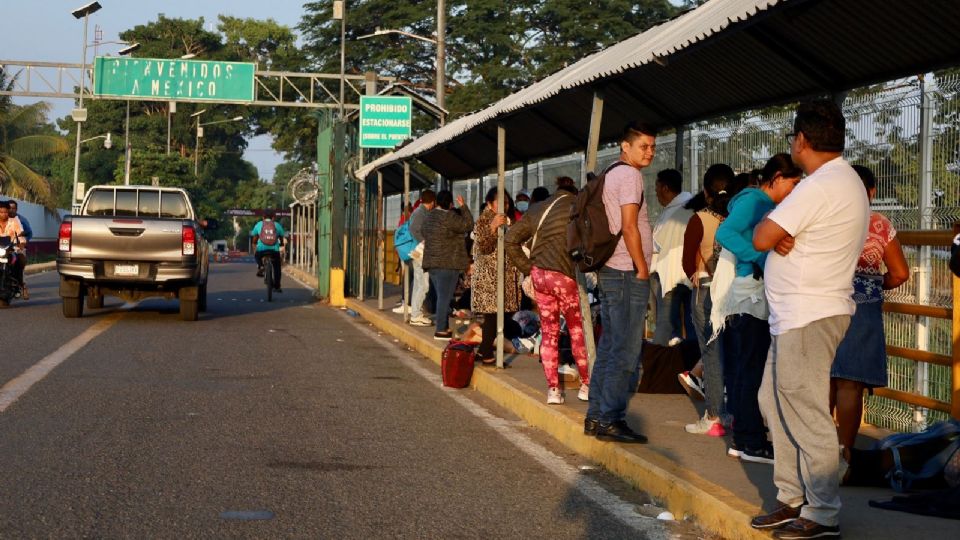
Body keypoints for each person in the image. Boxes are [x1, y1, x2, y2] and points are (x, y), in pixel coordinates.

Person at [751, 100, 869, 539]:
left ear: (801, 140)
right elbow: (774, 236)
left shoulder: (819, 185)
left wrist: (779, 232)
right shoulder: (841, 180)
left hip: (809, 313)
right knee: (774, 400)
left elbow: (764, 235)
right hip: (795, 316)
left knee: (805, 409)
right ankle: (791, 496)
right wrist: (783, 234)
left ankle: (822, 510)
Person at [714, 154, 802, 462]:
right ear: (777, 178)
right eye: (793, 183)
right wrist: (760, 255)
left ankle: (744, 437)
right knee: (750, 373)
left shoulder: (751, 200)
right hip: (750, 295)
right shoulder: (756, 201)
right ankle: (750, 440)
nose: (795, 190)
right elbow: (724, 233)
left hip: (744, 295)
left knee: (742, 371)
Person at [584, 121, 657, 444]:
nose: (650, 152)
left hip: (612, 270)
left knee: (611, 345)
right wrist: (642, 267)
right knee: (626, 349)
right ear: (625, 147)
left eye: (653, 147)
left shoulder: (611, 172)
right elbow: (630, 227)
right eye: (643, 146)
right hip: (627, 271)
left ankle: (596, 416)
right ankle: (611, 418)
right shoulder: (629, 176)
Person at [831, 165, 909, 464]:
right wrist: (874, 285)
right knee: (850, 383)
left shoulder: (826, 219)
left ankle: (816, 451)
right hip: (863, 304)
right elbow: (900, 273)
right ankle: (843, 455)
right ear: (872, 192)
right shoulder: (878, 224)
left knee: (825, 378)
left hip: (823, 298)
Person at [506, 177, 588, 403]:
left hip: (540, 276)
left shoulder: (539, 208)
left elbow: (510, 239)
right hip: (564, 276)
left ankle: (553, 390)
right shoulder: (578, 206)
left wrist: (528, 268)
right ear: (574, 191)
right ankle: (586, 385)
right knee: (576, 330)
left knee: (549, 333)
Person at [680, 164, 734, 437]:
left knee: (711, 355)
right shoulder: (738, 217)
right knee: (734, 354)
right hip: (738, 294)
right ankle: (734, 411)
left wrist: (698, 271)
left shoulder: (699, 219)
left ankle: (714, 415)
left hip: (706, 291)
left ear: (705, 191)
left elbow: (687, 262)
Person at [472, 187, 524, 363]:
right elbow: (483, 246)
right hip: (491, 277)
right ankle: (485, 352)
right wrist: (493, 228)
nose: (505, 206)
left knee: (496, 316)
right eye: (501, 203)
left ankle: (484, 351)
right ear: (489, 203)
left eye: (507, 202)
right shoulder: (484, 220)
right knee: (493, 315)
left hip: (503, 276)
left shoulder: (509, 220)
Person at [650, 168, 694, 346]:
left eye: (657, 187)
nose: (656, 192)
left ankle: (657, 367)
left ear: (665, 188)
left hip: (669, 276)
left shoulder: (671, 214)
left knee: (665, 324)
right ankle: (693, 368)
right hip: (691, 274)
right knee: (692, 324)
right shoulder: (692, 206)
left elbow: (656, 244)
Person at [422, 191, 473, 340]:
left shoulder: (429, 216)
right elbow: (468, 224)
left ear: (437, 202)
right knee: (445, 297)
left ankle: (443, 327)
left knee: (441, 296)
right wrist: (463, 206)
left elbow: (424, 231)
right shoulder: (449, 216)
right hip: (448, 263)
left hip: (432, 263)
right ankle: (440, 329)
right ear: (451, 204)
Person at [407, 190, 436, 326]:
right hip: (419, 252)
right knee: (423, 285)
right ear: (432, 202)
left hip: (416, 251)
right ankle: (416, 314)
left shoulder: (418, 211)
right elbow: (413, 228)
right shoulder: (421, 213)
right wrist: (423, 240)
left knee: (419, 283)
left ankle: (415, 313)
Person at [252, 210, 287, 293]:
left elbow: (255, 237)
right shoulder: (277, 225)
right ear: (273, 218)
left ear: (263, 218)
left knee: (257, 254)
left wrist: (254, 243)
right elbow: (281, 236)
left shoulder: (259, 224)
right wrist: (281, 244)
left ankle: (260, 266)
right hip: (274, 250)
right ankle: (277, 286)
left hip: (262, 249)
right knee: (277, 267)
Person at [0, 201, 27, 293]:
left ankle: (21, 284)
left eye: (5, 212)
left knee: (21, 259)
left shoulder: (15, 221)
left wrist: (21, 243)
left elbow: (20, 233)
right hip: (0, 250)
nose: (4, 214)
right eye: (1, 212)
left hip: (12, 249)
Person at [8, 201, 31, 298]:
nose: (11, 210)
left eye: (13, 208)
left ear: (16, 209)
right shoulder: (3, 219)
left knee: (20, 265)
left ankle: (23, 286)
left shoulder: (21, 220)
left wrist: (23, 243)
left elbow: (29, 233)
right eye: (9, 208)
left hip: (17, 247)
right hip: (4, 247)